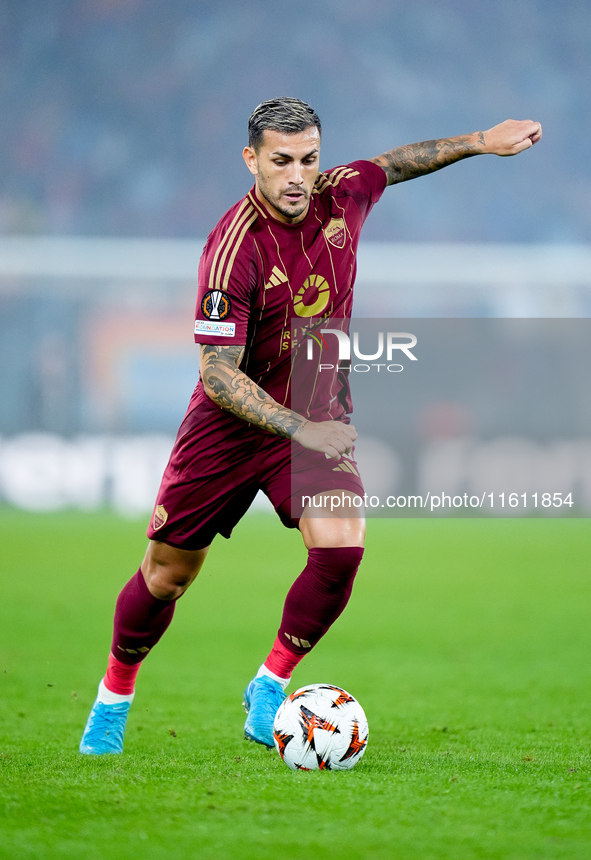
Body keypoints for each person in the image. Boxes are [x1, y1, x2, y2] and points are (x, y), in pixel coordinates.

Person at [79, 97, 542, 754]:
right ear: (251, 161)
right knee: (167, 575)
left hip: (317, 410)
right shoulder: (233, 248)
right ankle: (113, 698)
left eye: (307, 159)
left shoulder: (342, 196)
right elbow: (217, 373)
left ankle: (269, 682)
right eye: (280, 161)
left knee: (341, 546)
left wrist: (478, 140)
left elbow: (393, 163)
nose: (297, 175)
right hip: (230, 426)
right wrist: (298, 428)